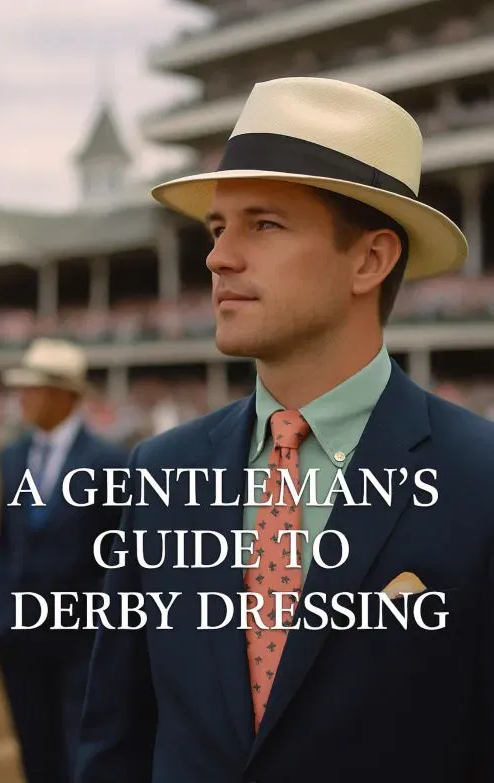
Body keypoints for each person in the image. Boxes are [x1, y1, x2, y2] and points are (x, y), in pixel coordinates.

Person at [75, 77, 494, 782]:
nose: (217, 258)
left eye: (262, 225)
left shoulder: (479, 479)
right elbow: (114, 744)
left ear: (369, 259)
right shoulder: (157, 472)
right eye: (216, 229)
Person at [0, 338, 129, 783]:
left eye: (34, 387)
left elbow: (118, 559)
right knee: (36, 752)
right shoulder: (13, 458)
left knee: (79, 757)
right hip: (19, 642)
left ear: (66, 394)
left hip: (80, 643)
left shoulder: (110, 463)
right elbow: (7, 544)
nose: (23, 396)